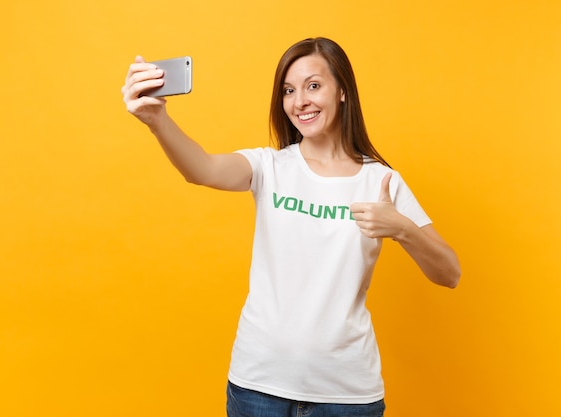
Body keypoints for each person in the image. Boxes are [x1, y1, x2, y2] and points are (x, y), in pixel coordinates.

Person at [122, 37, 460, 417]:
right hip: (257, 386)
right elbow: (201, 169)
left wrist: (401, 228)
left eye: (313, 85)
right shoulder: (270, 167)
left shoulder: (381, 182)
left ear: (343, 91)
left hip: (346, 395)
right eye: (288, 90)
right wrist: (157, 121)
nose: (300, 101)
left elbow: (450, 273)